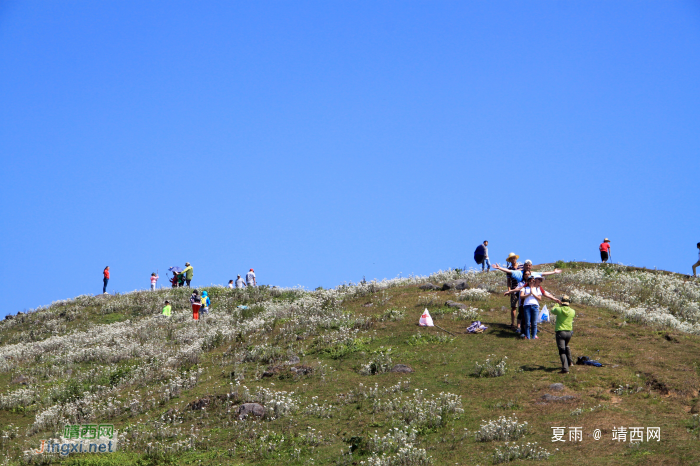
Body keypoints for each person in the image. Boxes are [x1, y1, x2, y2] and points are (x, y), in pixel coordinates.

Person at [519, 275, 560, 340]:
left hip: (535, 306)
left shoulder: (537, 288)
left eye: (533, 280)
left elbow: (540, 298)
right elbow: (521, 296)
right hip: (527, 306)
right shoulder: (524, 288)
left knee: (534, 323)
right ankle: (527, 336)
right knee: (527, 322)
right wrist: (529, 294)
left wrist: (533, 294)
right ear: (528, 281)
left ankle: (534, 336)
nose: (531, 282)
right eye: (530, 280)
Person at [550, 295, 576, 374]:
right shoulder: (573, 311)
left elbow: (552, 310)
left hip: (560, 332)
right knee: (566, 346)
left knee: (562, 351)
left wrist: (557, 304)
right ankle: (570, 362)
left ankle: (565, 369)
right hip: (569, 332)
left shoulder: (559, 309)